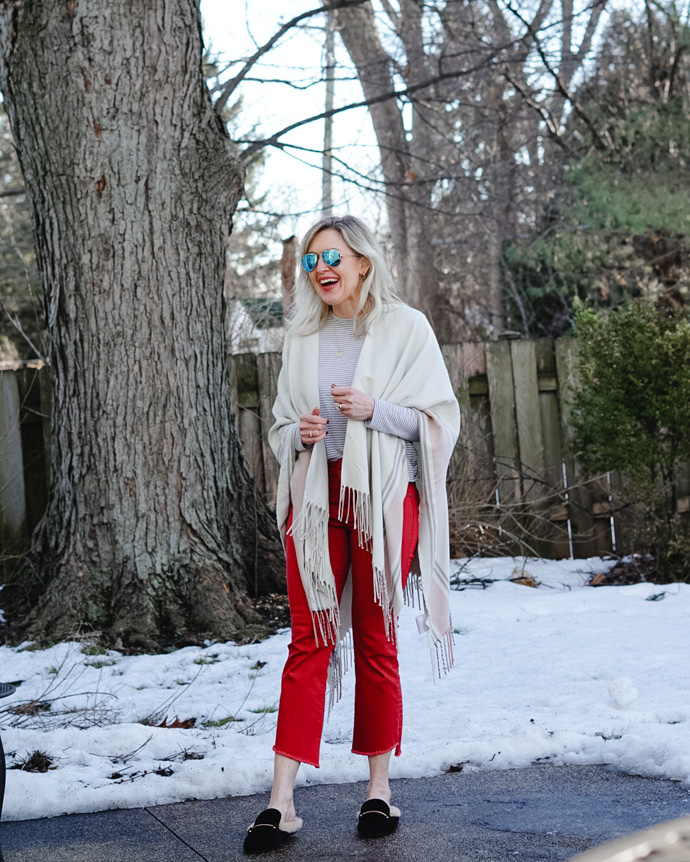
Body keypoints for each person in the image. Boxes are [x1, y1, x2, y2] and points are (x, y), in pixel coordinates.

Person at [243, 215, 460, 854]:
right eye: (311, 262)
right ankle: (280, 803)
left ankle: (378, 793)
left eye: (332, 258)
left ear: (363, 262)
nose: (321, 271)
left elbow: (440, 421)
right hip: (313, 499)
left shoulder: (405, 327)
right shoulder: (302, 334)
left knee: (375, 634)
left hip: (383, 499)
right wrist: (297, 436)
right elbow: (282, 424)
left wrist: (376, 412)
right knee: (309, 639)